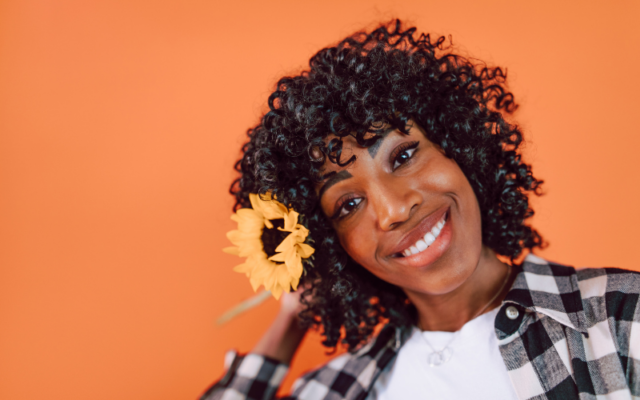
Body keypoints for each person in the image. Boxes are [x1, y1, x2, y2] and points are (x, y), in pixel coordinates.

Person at [202, 20, 640, 400]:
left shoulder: (620, 319)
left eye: (405, 156)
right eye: (349, 204)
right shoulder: (336, 389)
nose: (393, 209)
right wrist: (292, 320)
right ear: (334, 246)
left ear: (460, 150)